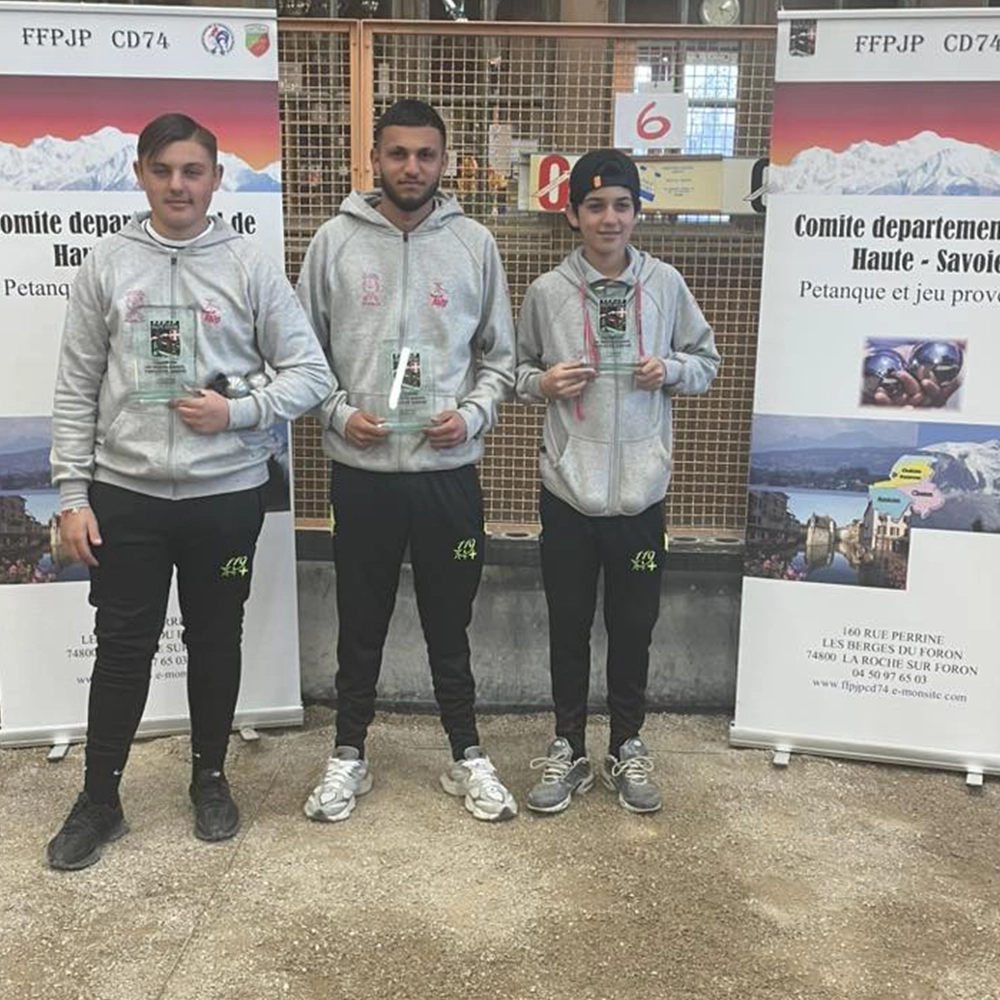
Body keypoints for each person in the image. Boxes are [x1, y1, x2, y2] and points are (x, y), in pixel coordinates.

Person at [46, 113, 331, 870]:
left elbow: (311, 374)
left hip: (224, 498)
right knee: (122, 648)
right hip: (126, 496)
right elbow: (75, 386)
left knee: (213, 639)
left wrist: (236, 412)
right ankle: (99, 800)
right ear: (140, 173)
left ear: (216, 178)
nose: (179, 185)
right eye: (164, 169)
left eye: (193, 171)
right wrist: (72, 494)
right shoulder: (107, 263)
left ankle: (210, 780)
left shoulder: (248, 265)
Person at [297, 99, 517, 824]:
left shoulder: (474, 244)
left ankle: (466, 754)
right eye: (398, 153)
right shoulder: (333, 242)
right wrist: (338, 413)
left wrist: (473, 414)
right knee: (360, 621)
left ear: (445, 162)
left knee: (449, 623)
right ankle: (348, 754)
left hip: (447, 477)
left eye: (426, 154)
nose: (412, 167)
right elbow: (303, 356)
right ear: (375, 159)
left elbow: (501, 359)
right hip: (361, 475)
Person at [515, 149, 720, 815]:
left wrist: (671, 371)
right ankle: (569, 746)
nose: (610, 218)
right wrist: (543, 383)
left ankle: (626, 744)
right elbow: (513, 372)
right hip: (568, 494)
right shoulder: (547, 293)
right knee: (569, 624)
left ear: (637, 213)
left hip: (640, 497)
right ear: (573, 214)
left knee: (634, 626)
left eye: (623, 206)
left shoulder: (665, 285)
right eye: (596, 206)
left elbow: (706, 360)